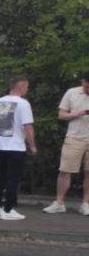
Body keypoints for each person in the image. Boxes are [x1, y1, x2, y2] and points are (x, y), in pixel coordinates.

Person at [0, 75, 37, 221]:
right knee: (12, 178)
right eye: (27, 87)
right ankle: (8, 209)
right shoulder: (23, 104)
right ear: (20, 86)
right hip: (15, 147)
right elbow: (27, 126)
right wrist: (32, 145)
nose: (27, 89)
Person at [43, 73, 89, 215]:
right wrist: (78, 114)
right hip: (74, 137)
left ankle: (86, 204)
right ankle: (59, 203)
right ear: (83, 82)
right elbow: (61, 115)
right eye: (87, 86)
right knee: (65, 170)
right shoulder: (71, 92)